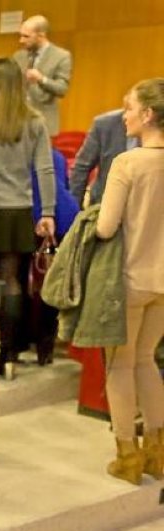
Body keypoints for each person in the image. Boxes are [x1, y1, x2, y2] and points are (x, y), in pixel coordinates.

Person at [93, 78, 164, 486]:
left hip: (130, 280)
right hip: (161, 282)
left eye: (129, 107)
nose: (124, 114)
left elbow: (105, 228)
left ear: (148, 114)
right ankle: (156, 450)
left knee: (120, 364)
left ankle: (127, 455)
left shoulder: (128, 163)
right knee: (147, 360)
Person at [0, 57, 54, 379]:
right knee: (13, 282)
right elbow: (45, 168)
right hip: (18, 211)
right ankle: (10, 355)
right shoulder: (34, 121)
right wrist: (48, 213)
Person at [12, 15, 72, 136]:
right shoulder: (19, 56)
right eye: (21, 35)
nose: (21, 40)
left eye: (26, 36)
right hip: (18, 123)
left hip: (45, 123)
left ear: (41, 35)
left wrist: (41, 79)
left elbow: (62, 89)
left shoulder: (61, 56)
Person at [70, 107, 134, 206]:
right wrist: (74, 210)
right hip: (103, 204)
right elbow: (81, 167)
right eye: (128, 108)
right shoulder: (105, 124)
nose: (125, 116)